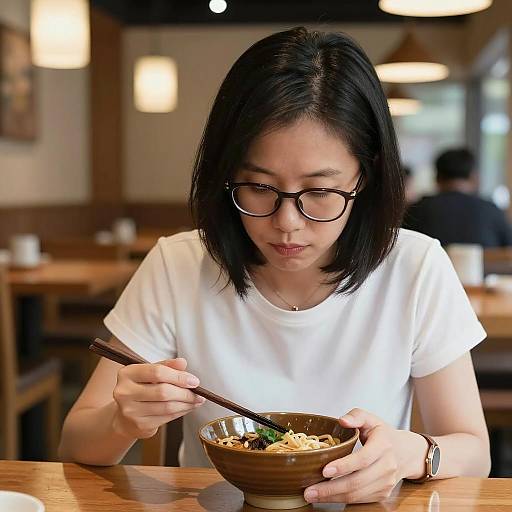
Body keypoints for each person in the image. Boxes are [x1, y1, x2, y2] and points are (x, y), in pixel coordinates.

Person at [59, 28, 490, 504]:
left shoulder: (416, 266)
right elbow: (75, 442)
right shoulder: (179, 265)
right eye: (260, 188)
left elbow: (473, 450)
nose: (287, 224)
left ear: (363, 176)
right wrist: (123, 420)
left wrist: (413, 454)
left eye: (320, 192)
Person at [404, 148, 512, 247]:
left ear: (437, 178)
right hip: (485, 269)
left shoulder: (417, 210)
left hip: (432, 268)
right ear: (474, 178)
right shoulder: (491, 210)